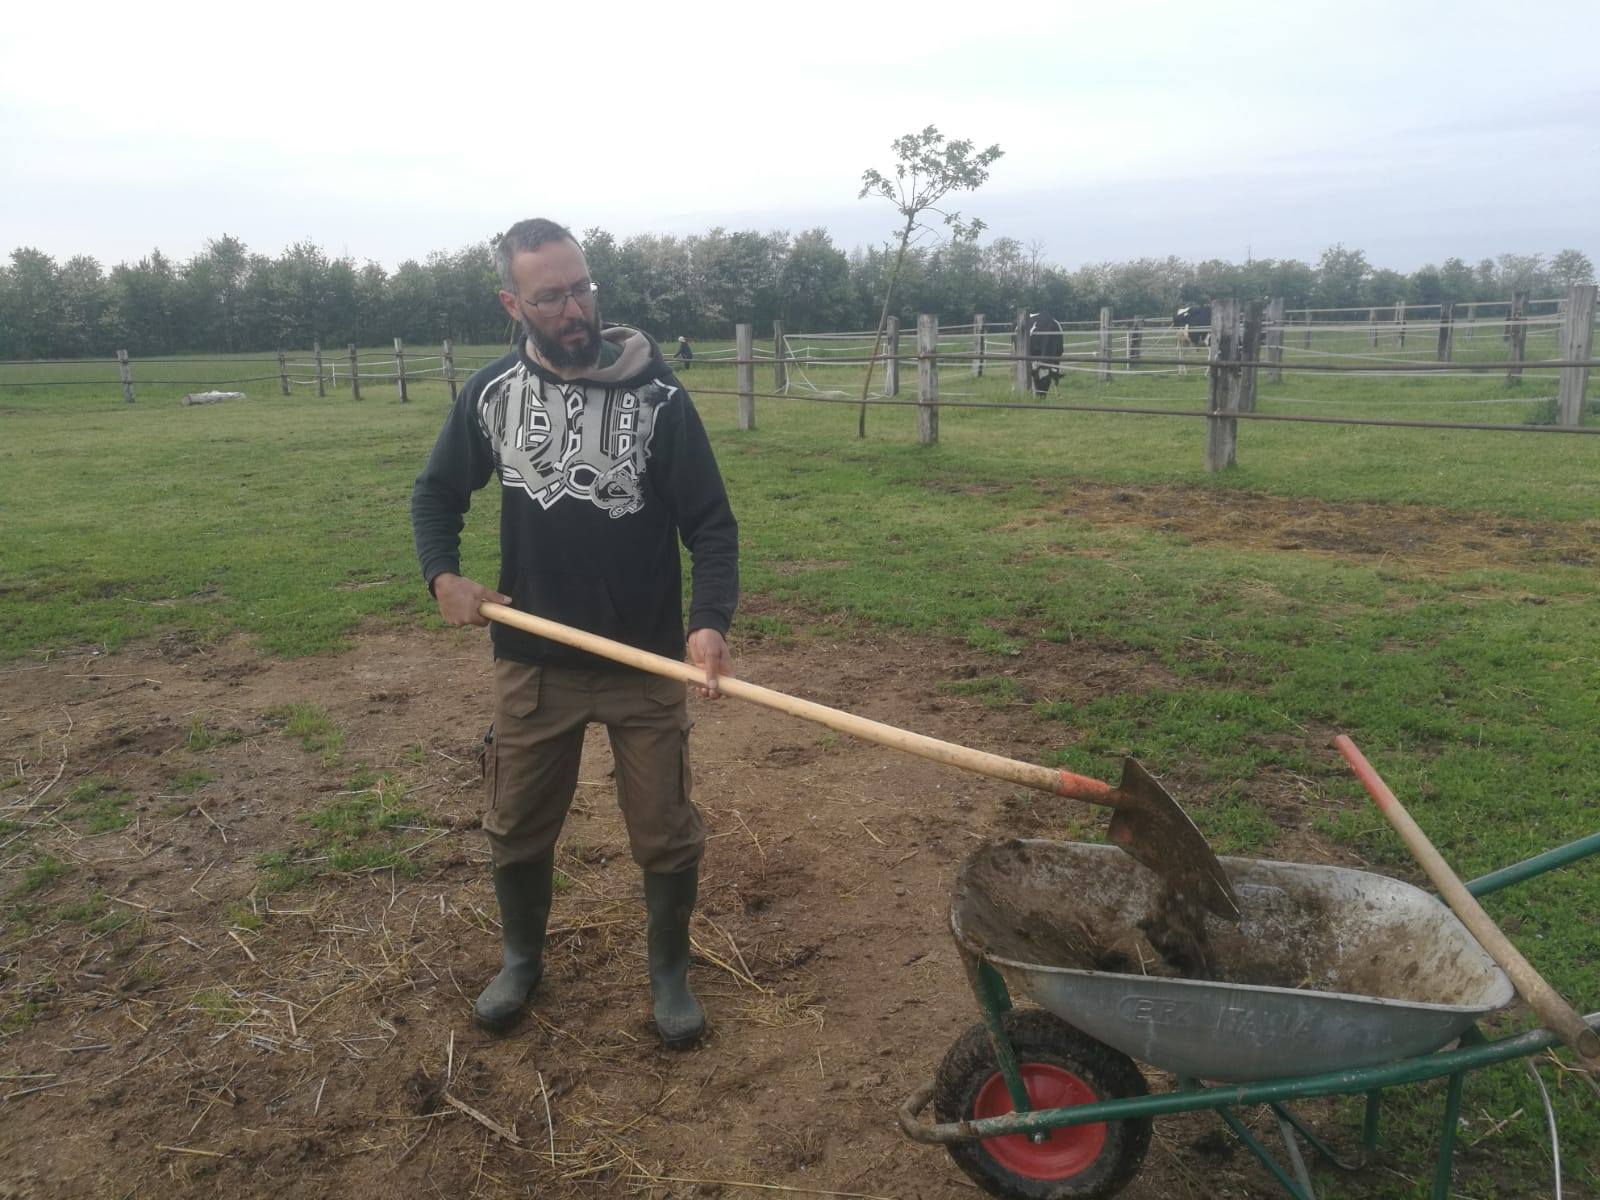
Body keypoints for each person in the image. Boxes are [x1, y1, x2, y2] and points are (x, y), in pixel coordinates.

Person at [411, 218, 738, 1048]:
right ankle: (521, 959)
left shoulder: (659, 398)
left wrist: (707, 624)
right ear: (513, 302)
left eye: (582, 286)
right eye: (551, 294)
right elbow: (435, 493)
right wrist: (443, 575)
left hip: (644, 661)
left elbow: (710, 523)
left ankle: (669, 971)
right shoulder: (491, 394)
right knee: (517, 824)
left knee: (664, 829)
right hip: (534, 662)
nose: (573, 307)